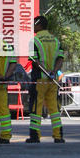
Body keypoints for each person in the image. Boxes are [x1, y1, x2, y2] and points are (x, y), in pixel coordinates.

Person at [27, 15, 64, 144]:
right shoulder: (56, 40)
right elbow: (60, 58)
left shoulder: (34, 41)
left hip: (39, 79)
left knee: (36, 107)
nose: (32, 25)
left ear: (39, 25)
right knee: (54, 107)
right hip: (53, 80)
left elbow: (35, 61)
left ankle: (35, 136)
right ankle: (58, 136)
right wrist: (53, 72)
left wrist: (46, 72)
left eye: (34, 23)